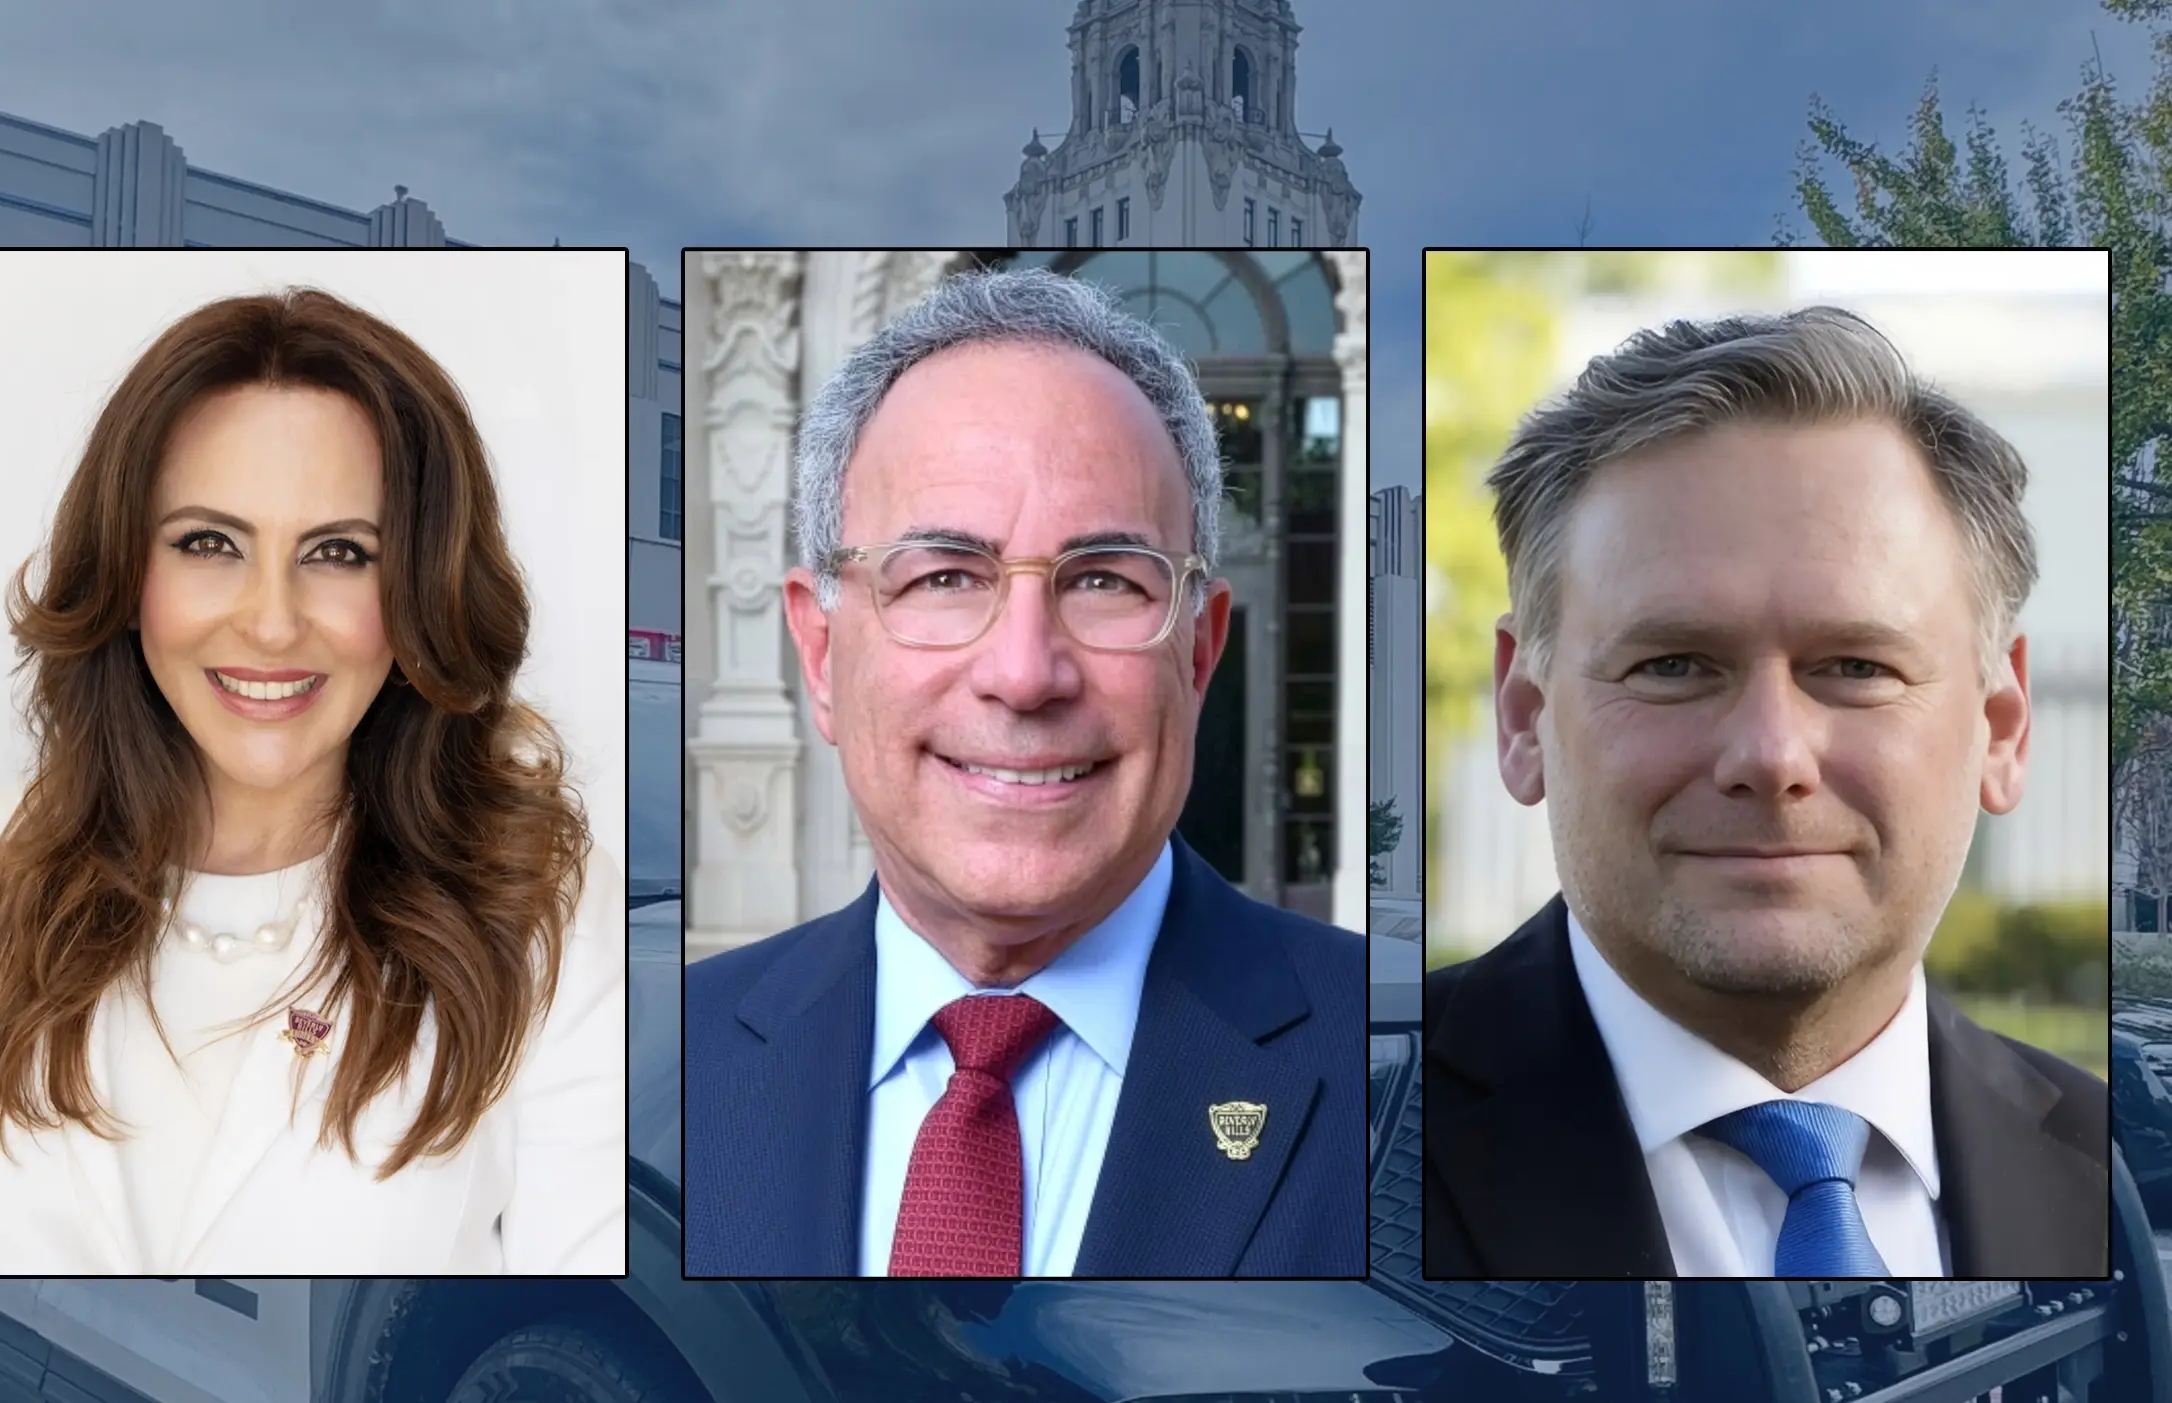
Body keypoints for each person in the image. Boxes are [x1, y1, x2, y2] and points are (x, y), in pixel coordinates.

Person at [683, 267, 1366, 1278]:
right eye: (944, 576)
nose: (1024, 673)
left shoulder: (1404, 1074)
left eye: (1105, 581)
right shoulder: (658, 1066)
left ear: (1198, 654)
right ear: (820, 653)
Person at [0, 288, 624, 1276]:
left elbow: (583, 1320)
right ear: (127, 579)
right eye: (209, 544)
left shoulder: (541, 908)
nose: (271, 623)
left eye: (340, 553)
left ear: (417, 595)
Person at [1424, 305, 2108, 1280]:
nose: (1772, 754)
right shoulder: (1334, 1143)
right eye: (1673, 665)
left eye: (1858, 667)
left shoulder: (2123, 1168)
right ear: (1523, 715)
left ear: (2002, 728)